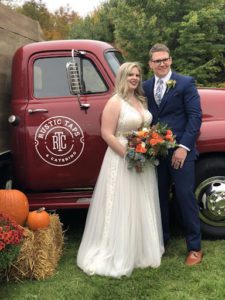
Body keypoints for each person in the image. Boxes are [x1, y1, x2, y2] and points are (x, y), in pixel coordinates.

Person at [77, 62, 164, 277]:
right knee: (121, 203)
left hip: (142, 157)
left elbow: (145, 127)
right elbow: (107, 133)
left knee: (140, 201)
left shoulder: (140, 100)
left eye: (137, 74)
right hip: (122, 156)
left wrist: (150, 144)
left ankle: (140, 250)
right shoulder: (115, 102)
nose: (134, 78)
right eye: (130, 74)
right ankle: (116, 250)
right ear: (122, 77)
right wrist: (128, 155)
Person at [143, 43, 203, 266]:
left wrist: (183, 148)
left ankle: (195, 247)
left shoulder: (185, 82)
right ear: (150, 64)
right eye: (157, 60)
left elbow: (195, 117)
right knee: (158, 198)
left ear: (170, 60)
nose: (161, 63)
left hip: (181, 153)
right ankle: (162, 241)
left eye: (165, 59)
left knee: (185, 197)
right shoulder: (146, 87)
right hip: (155, 153)